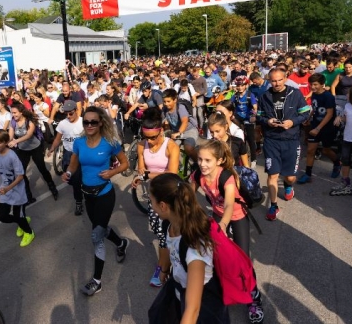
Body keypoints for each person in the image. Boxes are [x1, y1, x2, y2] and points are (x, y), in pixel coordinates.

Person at [190, 140, 264, 323]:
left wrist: (223, 224)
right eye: (200, 159)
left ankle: (254, 298)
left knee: (243, 258)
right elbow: (188, 197)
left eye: (207, 160)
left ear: (220, 161)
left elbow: (230, 204)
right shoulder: (198, 174)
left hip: (237, 215)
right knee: (215, 255)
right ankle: (223, 289)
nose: (202, 164)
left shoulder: (226, 177)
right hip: (217, 213)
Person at [61, 106, 129, 296]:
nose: (89, 125)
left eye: (93, 122)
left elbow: (125, 163)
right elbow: (74, 162)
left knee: (96, 236)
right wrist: (68, 173)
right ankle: (121, 243)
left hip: (105, 195)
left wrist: (113, 172)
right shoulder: (79, 142)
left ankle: (97, 281)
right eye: (86, 122)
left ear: (100, 123)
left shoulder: (110, 142)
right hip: (87, 195)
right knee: (100, 227)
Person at [148, 173, 229, 323]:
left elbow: (193, 309)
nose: (150, 206)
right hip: (178, 286)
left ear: (163, 206)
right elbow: (168, 247)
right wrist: (164, 270)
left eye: (151, 201)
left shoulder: (194, 247)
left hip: (204, 302)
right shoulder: (168, 223)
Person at [131, 107, 179, 287]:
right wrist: (141, 175)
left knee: (172, 232)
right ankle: (165, 264)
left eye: (153, 137)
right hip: (153, 197)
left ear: (161, 131)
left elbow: (172, 175)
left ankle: (164, 267)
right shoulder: (141, 145)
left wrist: (146, 176)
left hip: (171, 195)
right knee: (160, 233)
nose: (149, 141)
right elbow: (142, 169)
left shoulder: (171, 146)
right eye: (146, 137)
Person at [257, 68, 310, 221]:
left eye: (280, 80)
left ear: (285, 78)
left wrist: (292, 122)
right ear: (269, 80)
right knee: (272, 174)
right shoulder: (264, 96)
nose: (277, 83)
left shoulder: (295, 94)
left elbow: (305, 113)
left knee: (290, 177)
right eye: (273, 80)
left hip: (291, 139)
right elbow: (259, 115)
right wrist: (267, 121)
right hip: (271, 140)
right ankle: (273, 206)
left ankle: (288, 185)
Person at [0, 130, 35, 247]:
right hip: (5, 190)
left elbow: (20, 176)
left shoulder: (12, 156)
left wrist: (8, 188)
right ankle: (22, 220)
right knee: (2, 216)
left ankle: (29, 232)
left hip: (17, 191)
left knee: (17, 214)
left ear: (5, 142)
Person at [8, 102, 59, 202]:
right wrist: (5, 142)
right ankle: (28, 195)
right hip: (23, 149)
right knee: (21, 173)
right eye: (12, 113)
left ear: (21, 112)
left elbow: (29, 135)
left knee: (42, 168)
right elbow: (10, 136)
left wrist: (16, 141)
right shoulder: (13, 122)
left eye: (15, 113)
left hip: (35, 147)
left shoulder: (29, 121)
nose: (13, 115)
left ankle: (52, 187)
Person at [297, 74, 341, 184]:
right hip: (315, 124)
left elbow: (329, 114)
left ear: (322, 84)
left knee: (326, 150)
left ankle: (337, 163)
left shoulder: (328, 96)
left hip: (327, 127)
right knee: (310, 150)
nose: (313, 87)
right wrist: (309, 118)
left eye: (315, 84)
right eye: (311, 84)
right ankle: (308, 174)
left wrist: (318, 128)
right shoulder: (314, 95)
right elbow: (315, 108)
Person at [47, 100, 84, 215]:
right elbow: (58, 138)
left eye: (71, 113)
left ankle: (78, 202)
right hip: (68, 155)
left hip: (82, 154)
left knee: (78, 180)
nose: (68, 116)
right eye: (66, 113)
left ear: (76, 110)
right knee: (71, 180)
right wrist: (52, 148)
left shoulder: (84, 122)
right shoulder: (62, 124)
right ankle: (79, 189)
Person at [162, 88, 199, 162]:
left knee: (188, 148)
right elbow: (163, 123)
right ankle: (178, 165)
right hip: (175, 132)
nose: (166, 104)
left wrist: (179, 133)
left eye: (168, 101)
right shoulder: (164, 109)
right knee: (168, 149)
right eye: (164, 102)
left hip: (189, 131)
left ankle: (198, 164)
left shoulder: (180, 108)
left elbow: (185, 121)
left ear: (175, 100)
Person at [230, 75, 258, 166]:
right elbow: (229, 104)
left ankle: (253, 158)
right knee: (237, 137)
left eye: (242, 85)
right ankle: (238, 155)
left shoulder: (250, 95)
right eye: (238, 85)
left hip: (248, 117)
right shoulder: (235, 95)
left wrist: (254, 115)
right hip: (238, 118)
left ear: (246, 85)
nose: (240, 87)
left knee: (250, 138)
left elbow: (255, 107)